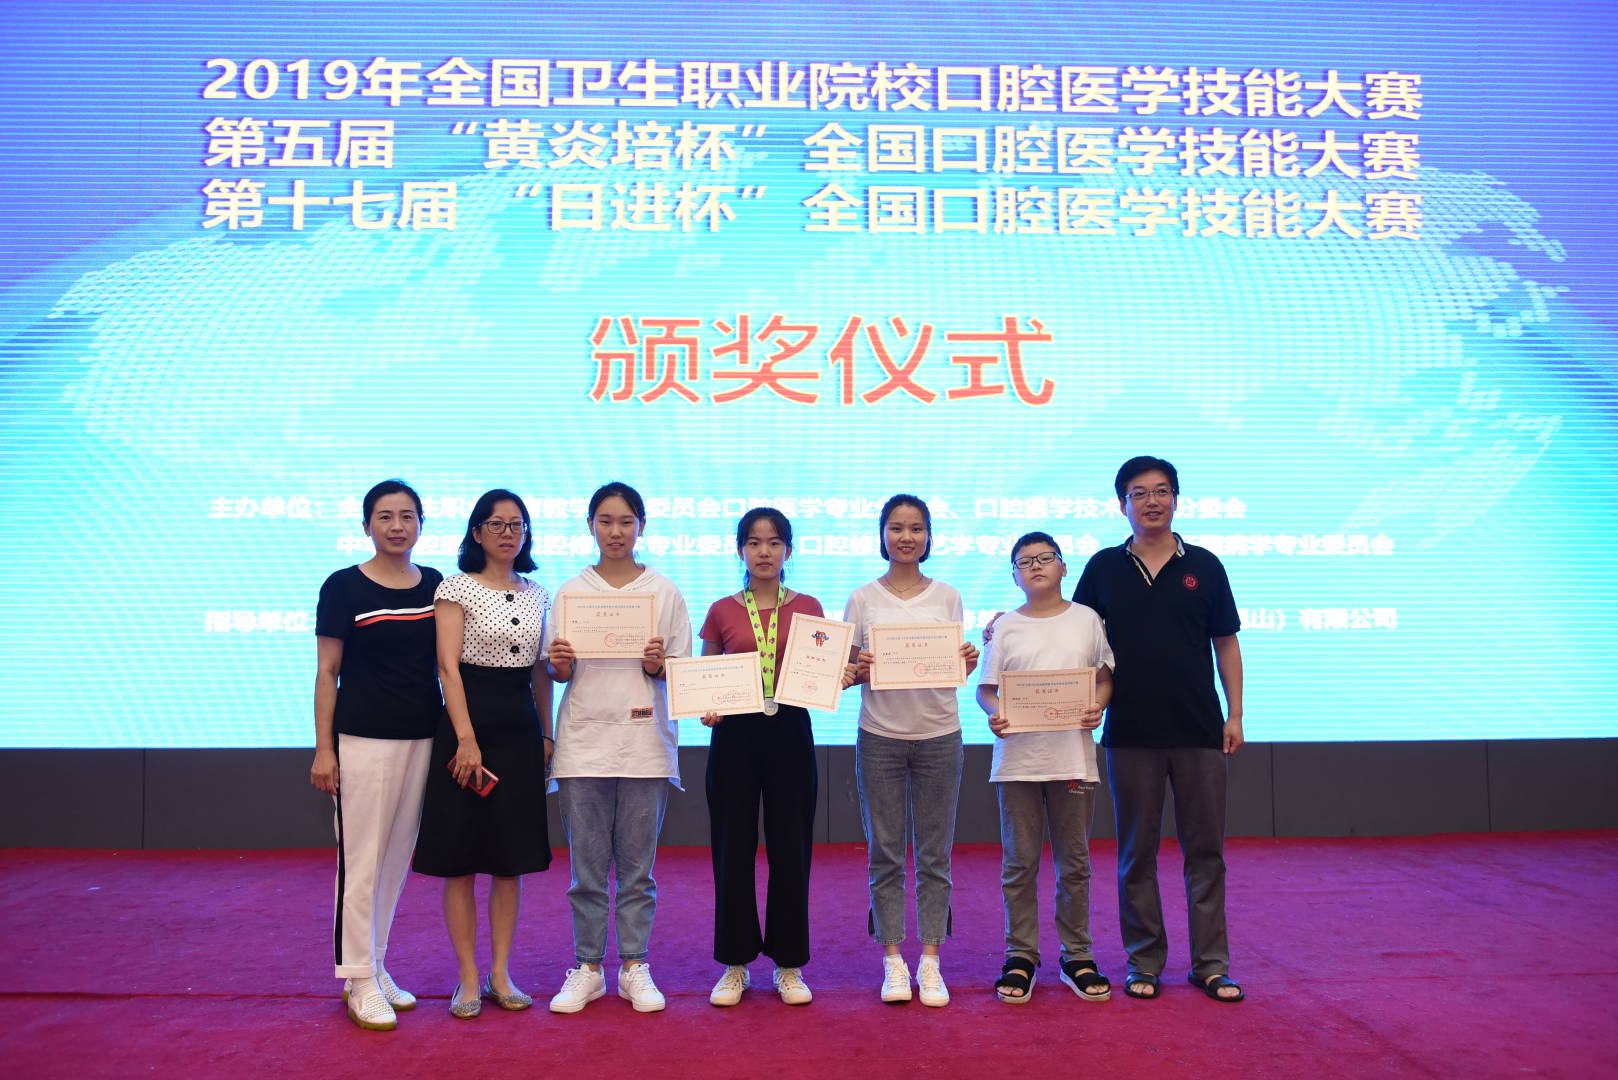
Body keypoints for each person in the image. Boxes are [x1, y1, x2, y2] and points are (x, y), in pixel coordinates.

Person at [1076, 456, 1245, 1003]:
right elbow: (1072, 636)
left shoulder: (1206, 565)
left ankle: (1211, 965)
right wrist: (1003, 627)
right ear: (1121, 504)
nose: (1152, 501)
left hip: (1199, 730)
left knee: (1206, 853)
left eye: (1162, 491)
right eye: (1139, 493)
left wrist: (1235, 714)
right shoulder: (1104, 567)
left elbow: (1226, 643)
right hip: (1129, 732)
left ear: (1176, 498)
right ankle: (1143, 962)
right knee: (1136, 855)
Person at [544, 482, 691, 1015]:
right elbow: (556, 670)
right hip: (584, 744)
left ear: (641, 526)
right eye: (605, 521)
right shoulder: (570, 592)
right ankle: (587, 968)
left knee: (637, 872)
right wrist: (560, 665)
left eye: (626, 521)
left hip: (644, 746)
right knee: (586, 873)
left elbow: (684, 673)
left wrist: (658, 665)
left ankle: (633, 966)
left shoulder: (665, 592)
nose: (615, 531)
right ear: (590, 526)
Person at [411, 489, 555, 1019]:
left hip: (519, 730)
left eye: (516, 525)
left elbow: (541, 671)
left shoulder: (539, 593)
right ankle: (468, 978)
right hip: (465, 728)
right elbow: (447, 668)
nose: (507, 533)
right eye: (496, 524)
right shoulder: (455, 587)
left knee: (509, 861)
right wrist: (466, 739)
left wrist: (547, 734)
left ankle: (501, 973)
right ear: (476, 532)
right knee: (460, 859)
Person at [700, 507, 846, 1008]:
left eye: (774, 542)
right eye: (754, 542)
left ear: (788, 550)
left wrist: (840, 675)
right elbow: (707, 676)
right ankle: (734, 963)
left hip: (790, 729)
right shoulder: (722, 609)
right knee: (732, 848)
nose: (764, 551)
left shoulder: (808, 606)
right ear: (740, 549)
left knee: (791, 847)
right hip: (735, 735)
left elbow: (824, 668)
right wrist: (708, 706)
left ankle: (789, 964)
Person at [312, 479, 441, 1031]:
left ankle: (376, 964)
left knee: (394, 859)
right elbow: (327, 672)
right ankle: (356, 977)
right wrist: (324, 749)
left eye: (407, 516)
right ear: (366, 525)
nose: (396, 526)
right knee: (360, 861)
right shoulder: (344, 586)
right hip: (362, 739)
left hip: (422, 739)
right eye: (385, 516)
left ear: (421, 524)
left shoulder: (435, 584)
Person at [844, 494, 978, 1007]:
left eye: (916, 528)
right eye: (897, 528)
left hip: (940, 735)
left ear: (928, 536)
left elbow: (951, 665)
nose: (906, 537)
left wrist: (964, 663)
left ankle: (931, 961)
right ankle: (893, 960)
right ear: (882, 535)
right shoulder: (862, 598)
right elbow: (845, 673)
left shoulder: (948, 596)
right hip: (880, 737)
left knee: (934, 854)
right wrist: (858, 668)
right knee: (884, 852)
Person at [976, 532, 1115, 1005]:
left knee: (1074, 863)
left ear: (1063, 566)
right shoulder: (1005, 627)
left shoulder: (1087, 620)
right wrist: (995, 713)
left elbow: (1103, 679)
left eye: (1045, 558)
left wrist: (1098, 706)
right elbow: (986, 689)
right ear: (1015, 576)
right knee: (1019, 863)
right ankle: (1021, 955)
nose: (1035, 566)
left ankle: (1078, 955)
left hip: (1072, 758)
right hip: (1018, 761)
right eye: (1024, 562)